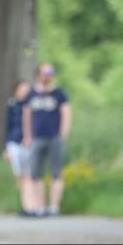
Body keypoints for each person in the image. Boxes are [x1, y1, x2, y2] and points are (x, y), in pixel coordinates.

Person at [22, 63, 72, 217]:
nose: (47, 77)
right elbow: (26, 115)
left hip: (54, 137)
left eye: (50, 74)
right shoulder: (31, 94)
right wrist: (27, 135)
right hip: (37, 137)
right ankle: (40, 206)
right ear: (38, 75)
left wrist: (63, 132)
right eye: (45, 74)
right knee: (36, 173)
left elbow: (66, 112)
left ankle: (54, 207)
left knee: (56, 172)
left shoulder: (59, 93)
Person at [4, 80, 40, 216]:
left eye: (27, 89)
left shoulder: (32, 105)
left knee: (30, 175)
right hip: (14, 142)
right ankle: (26, 205)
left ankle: (34, 206)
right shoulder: (12, 105)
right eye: (22, 89)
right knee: (20, 176)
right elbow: (8, 126)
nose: (25, 92)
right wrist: (6, 147)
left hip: (29, 144)